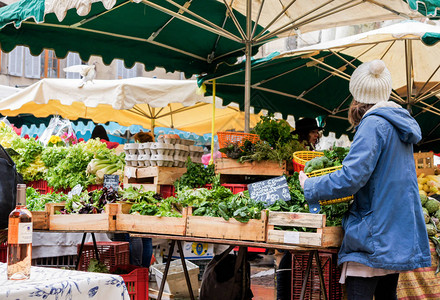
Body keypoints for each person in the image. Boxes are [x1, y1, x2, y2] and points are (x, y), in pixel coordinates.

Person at [299, 59, 431, 299]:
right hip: (394, 233)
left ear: (357, 93)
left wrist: (311, 186)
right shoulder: (398, 125)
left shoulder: (373, 124)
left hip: (372, 234)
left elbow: (351, 178)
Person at [276, 117, 322, 300]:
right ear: (304, 133)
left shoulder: (309, 152)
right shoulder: (295, 151)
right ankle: (284, 294)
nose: (316, 135)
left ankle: (293, 292)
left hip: (305, 200)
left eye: (316, 132)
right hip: (294, 202)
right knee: (290, 250)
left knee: (297, 251)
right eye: (312, 132)